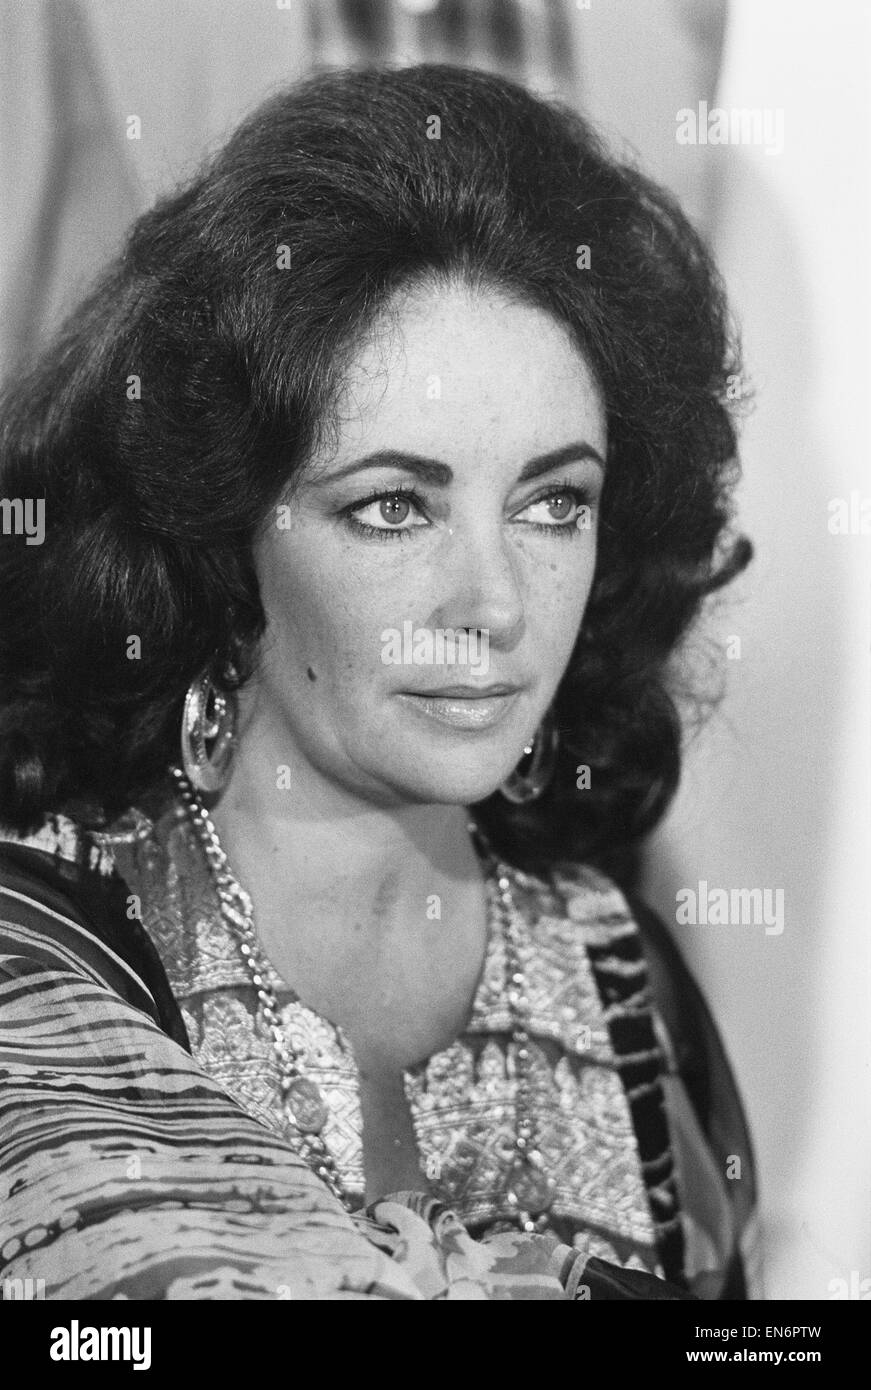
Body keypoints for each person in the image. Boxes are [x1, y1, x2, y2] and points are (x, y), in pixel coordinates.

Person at [0, 62, 758, 1301]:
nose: (494, 604)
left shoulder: (629, 996)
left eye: (553, 503)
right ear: (226, 523)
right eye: (394, 506)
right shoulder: (41, 951)